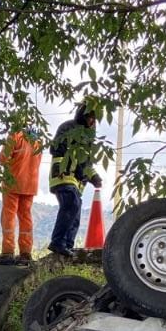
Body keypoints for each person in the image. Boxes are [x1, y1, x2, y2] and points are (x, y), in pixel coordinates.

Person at [47, 101, 103, 257]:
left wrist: (94, 177)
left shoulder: (89, 137)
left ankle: (68, 246)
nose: (92, 120)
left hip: (77, 182)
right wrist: (61, 168)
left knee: (76, 210)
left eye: (94, 118)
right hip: (63, 176)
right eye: (90, 116)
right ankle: (58, 242)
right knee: (71, 204)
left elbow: (87, 163)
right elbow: (56, 149)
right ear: (83, 115)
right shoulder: (68, 127)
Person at [0, 128, 43, 262]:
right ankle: (25, 252)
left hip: (13, 183)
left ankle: (8, 252)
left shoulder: (15, 136)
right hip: (30, 185)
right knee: (25, 217)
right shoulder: (37, 141)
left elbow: (3, 158)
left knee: (9, 216)